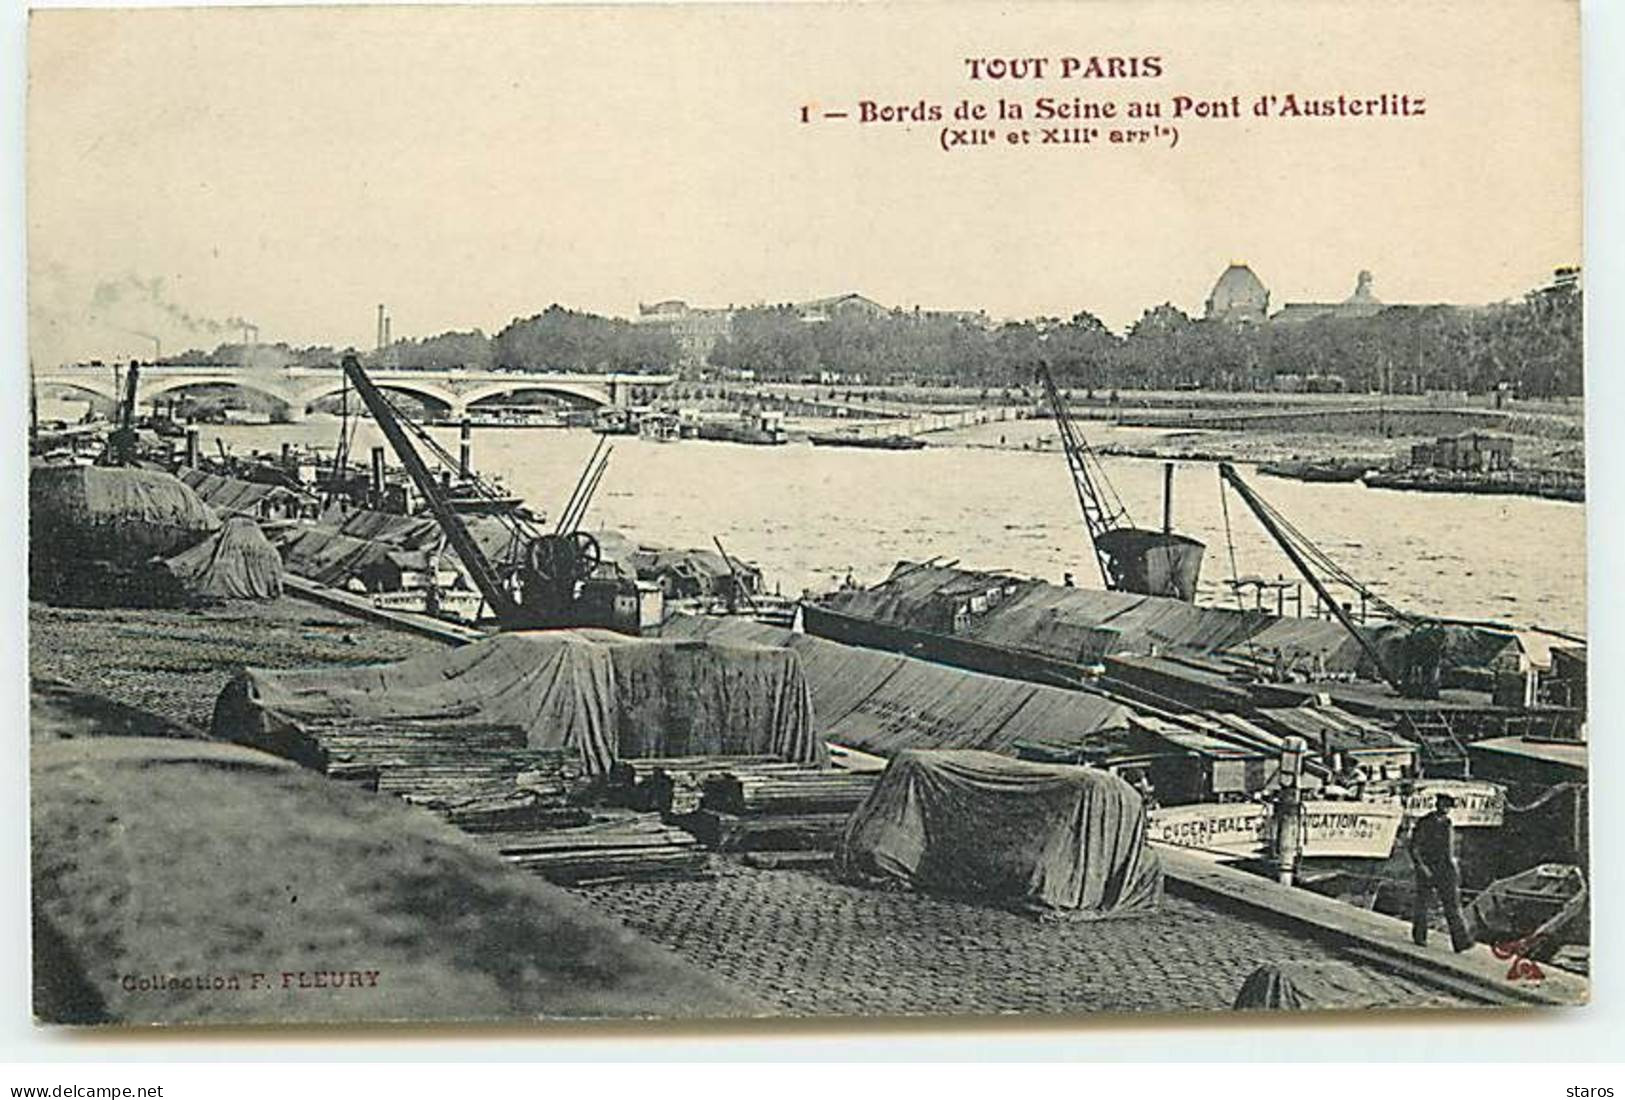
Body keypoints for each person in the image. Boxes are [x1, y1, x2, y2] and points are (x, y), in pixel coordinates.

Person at [1409, 793, 1474, 951]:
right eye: (1443, 804)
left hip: (1445, 868)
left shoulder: (1448, 824)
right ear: (1437, 804)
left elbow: (1450, 850)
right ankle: (1419, 936)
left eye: (1448, 806)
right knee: (1423, 903)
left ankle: (1460, 941)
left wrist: (1454, 868)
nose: (1445, 808)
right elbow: (1414, 847)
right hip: (1428, 866)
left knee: (1452, 904)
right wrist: (1421, 866)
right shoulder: (1425, 822)